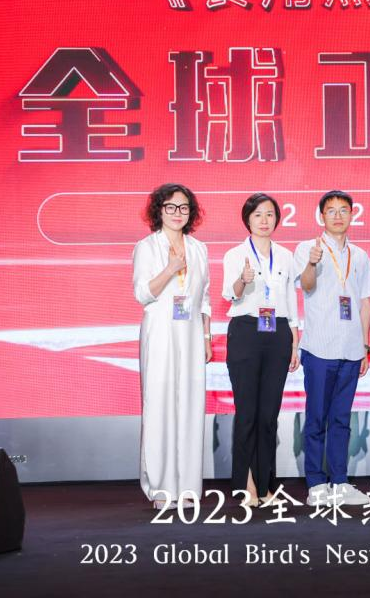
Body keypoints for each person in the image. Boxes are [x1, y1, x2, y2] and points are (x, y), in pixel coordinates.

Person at [294, 190, 370, 507]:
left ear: (353, 214)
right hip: (319, 349)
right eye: (331, 211)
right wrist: (312, 263)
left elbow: (365, 302)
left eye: (344, 210)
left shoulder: (360, 255)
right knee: (316, 418)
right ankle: (316, 484)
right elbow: (306, 286)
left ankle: (340, 483)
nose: (338, 216)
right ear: (321, 216)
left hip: (352, 349)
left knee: (341, 420)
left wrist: (365, 345)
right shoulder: (308, 248)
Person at [132, 183, 212, 509]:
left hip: (191, 333)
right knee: (160, 405)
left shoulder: (198, 248)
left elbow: (204, 297)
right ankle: (161, 487)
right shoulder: (147, 247)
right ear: (159, 211)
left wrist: (206, 337)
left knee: (191, 406)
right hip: (161, 331)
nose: (178, 213)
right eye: (171, 207)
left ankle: (189, 486)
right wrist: (170, 269)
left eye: (184, 207)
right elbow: (142, 293)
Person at [221, 193, 300, 507]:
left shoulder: (285, 256)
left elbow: (291, 301)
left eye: (269, 214)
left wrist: (294, 340)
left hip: (278, 332)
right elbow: (230, 295)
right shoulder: (235, 254)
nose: (264, 220)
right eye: (257, 215)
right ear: (247, 219)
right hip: (245, 331)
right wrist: (243, 280)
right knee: (247, 414)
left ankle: (266, 485)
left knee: (269, 415)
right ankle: (246, 485)